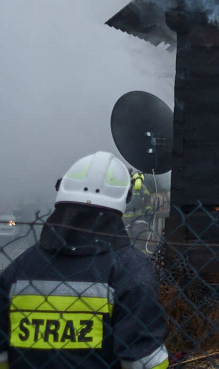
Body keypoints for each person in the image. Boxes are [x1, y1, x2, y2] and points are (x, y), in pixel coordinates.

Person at [0, 151, 169, 369]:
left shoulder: (19, 268)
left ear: (62, 191)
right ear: (124, 199)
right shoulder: (130, 270)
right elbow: (145, 361)